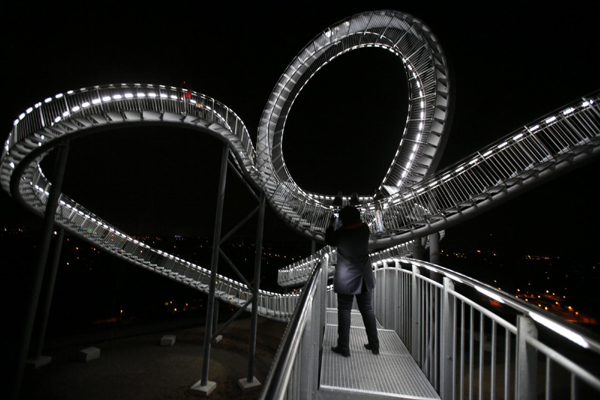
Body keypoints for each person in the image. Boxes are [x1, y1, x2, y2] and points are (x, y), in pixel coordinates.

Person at [325, 206, 379, 357]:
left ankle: (344, 347)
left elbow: (329, 239)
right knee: (367, 310)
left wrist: (331, 224)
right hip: (364, 276)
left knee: (344, 310)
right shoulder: (365, 230)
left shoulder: (341, 234)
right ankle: (374, 345)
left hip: (347, 276)